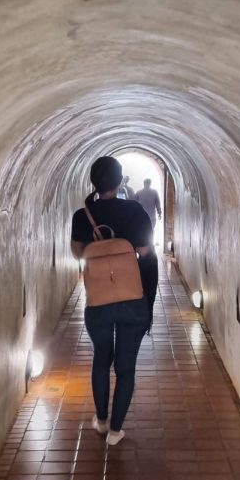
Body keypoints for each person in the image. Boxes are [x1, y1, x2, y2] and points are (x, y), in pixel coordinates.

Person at [71, 156, 158, 446]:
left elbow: (77, 253)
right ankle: (116, 430)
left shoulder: (81, 216)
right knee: (126, 367)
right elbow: (147, 255)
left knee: (101, 359)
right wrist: (149, 302)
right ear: (119, 182)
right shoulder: (134, 211)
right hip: (133, 298)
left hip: (97, 301)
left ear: (93, 182)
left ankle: (101, 419)